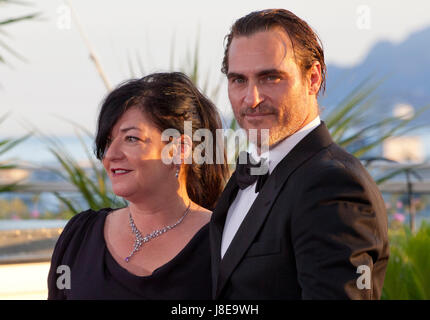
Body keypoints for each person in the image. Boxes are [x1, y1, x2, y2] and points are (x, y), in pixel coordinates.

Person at [209, 9, 390, 299]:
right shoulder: (248, 173)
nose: (251, 99)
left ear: (313, 79)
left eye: (270, 78)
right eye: (239, 80)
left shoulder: (334, 185)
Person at [47, 72, 229, 299]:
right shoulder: (80, 236)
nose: (110, 155)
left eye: (131, 139)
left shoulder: (226, 242)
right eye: (108, 141)